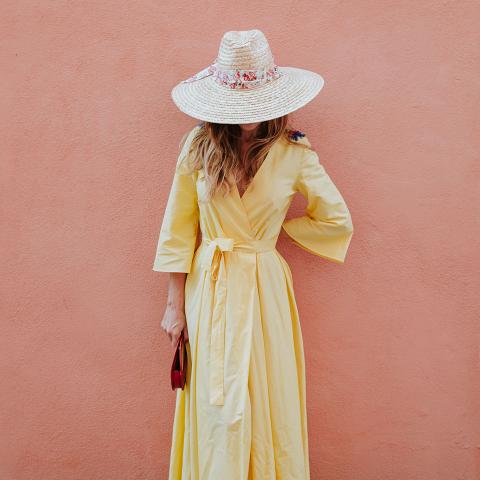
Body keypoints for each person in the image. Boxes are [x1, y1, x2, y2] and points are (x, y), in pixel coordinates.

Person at [152, 29, 354, 479]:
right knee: (217, 402)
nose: (248, 115)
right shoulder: (198, 147)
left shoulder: (295, 153)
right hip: (212, 286)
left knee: (267, 397)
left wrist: (272, 230)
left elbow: (337, 221)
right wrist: (173, 307)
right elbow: (178, 227)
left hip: (265, 287)